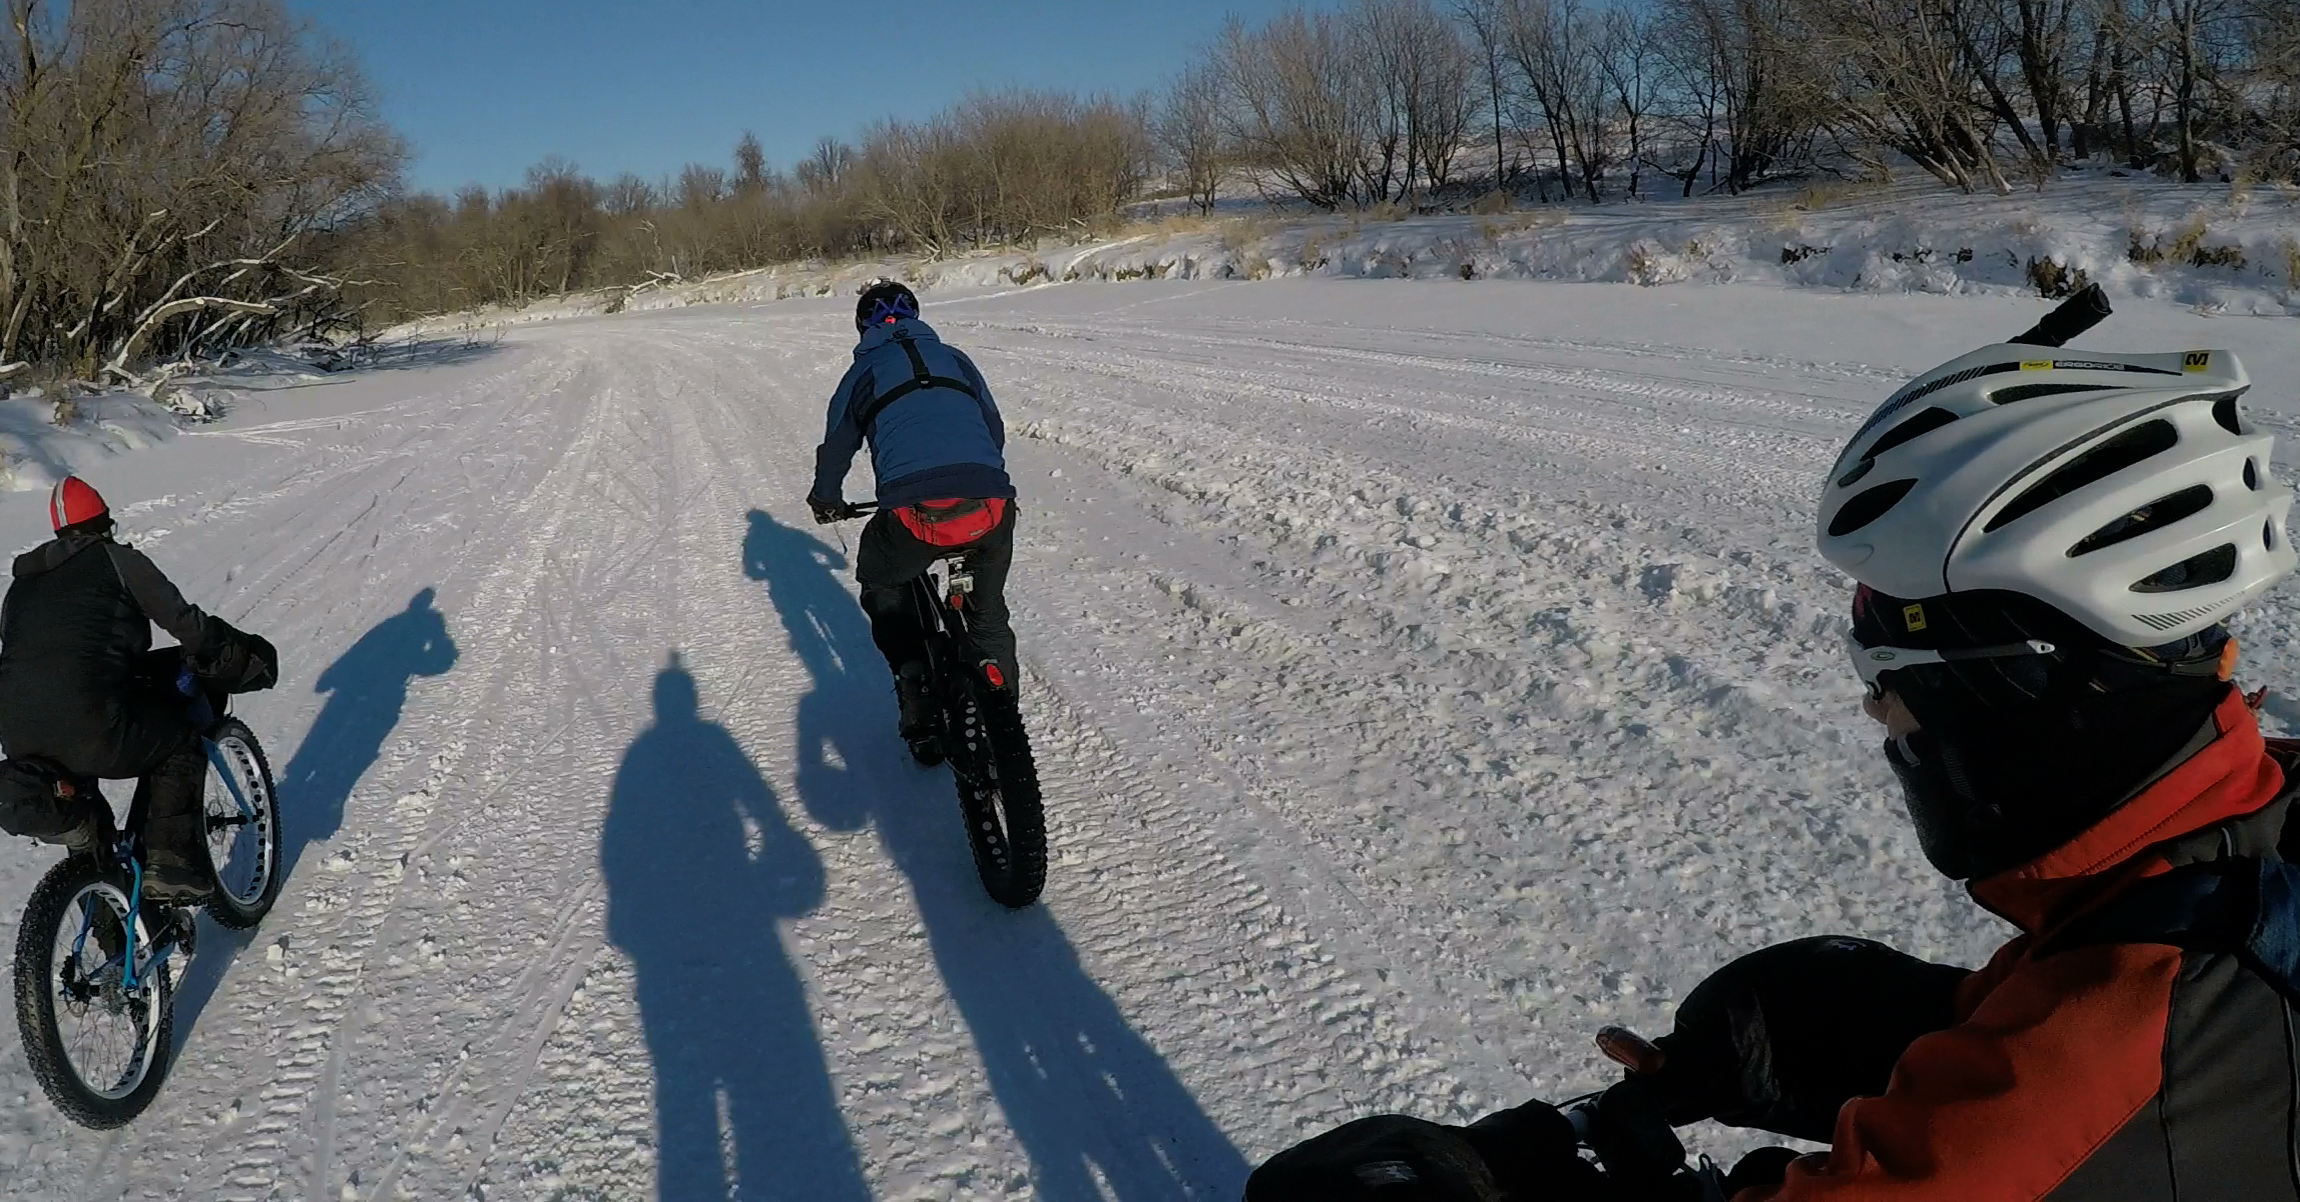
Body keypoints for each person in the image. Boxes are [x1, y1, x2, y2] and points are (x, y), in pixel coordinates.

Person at [1251, 294, 2300, 1200]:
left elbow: (2058, 1100)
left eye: (1886, 681)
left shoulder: (2103, 1061)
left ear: (2012, 693)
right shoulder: (2254, 842)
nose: (1876, 718)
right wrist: (1890, 1027)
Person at [0, 476, 274, 901]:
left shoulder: (21, 584)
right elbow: (186, 623)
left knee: (89, 834)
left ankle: (106, 918)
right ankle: (169, 863)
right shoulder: (117, 560)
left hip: (19, 735)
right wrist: (227, 652)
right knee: (179, 739)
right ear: (104, 524)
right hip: (91, 726)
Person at [808, 280, 1019, 764]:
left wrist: (826, 500)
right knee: (988, 616)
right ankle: (1004, 723)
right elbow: (993, 428)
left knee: (882, 577)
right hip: (990, 499)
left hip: (912, 509)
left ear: (862, 327)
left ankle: (914, 684)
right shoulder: (957, 359)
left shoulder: (863, 371)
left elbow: (837, 445)